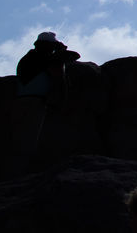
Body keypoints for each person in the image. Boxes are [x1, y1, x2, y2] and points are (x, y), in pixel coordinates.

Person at [10, 32, 80, 174]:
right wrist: (62, 49)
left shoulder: (27, 58)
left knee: (20, 140)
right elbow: (73, 58)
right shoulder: (47, 59)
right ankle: (24, 173)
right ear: (49, 46)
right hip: (35, 102)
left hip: (21, 100)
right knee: (31, 141)